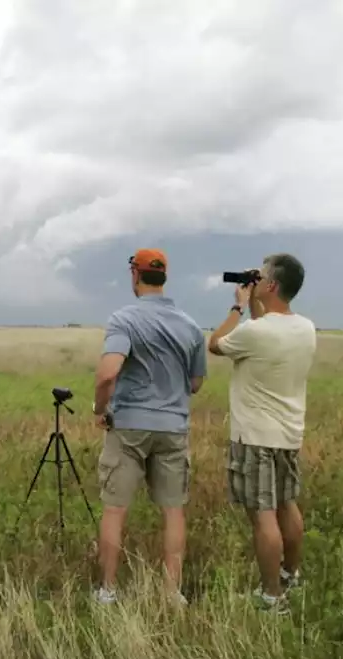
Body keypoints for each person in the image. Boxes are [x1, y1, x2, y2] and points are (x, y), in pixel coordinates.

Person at [91, 248, 207, 606]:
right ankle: (172, 593)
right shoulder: (189, 325)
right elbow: (197, 382)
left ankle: (107, 591)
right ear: (164, 276)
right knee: (173, 510)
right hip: (173, 427)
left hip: (128, 426)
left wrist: (100, 408)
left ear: (134, 275)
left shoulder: (124, 319)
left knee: (115, 508)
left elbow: (108, 371)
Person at [207, 253, 316, 615]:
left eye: (261, 275)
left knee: (262, 515)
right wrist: (256, 304)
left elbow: (216, 343)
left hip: (254, 436)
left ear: (270, 285)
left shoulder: (254, 330)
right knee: (287, 505)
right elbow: (264, 331)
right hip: (288, 434)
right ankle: (291, 575)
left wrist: (239, 307)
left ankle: (272, 598)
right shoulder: (305, 327)